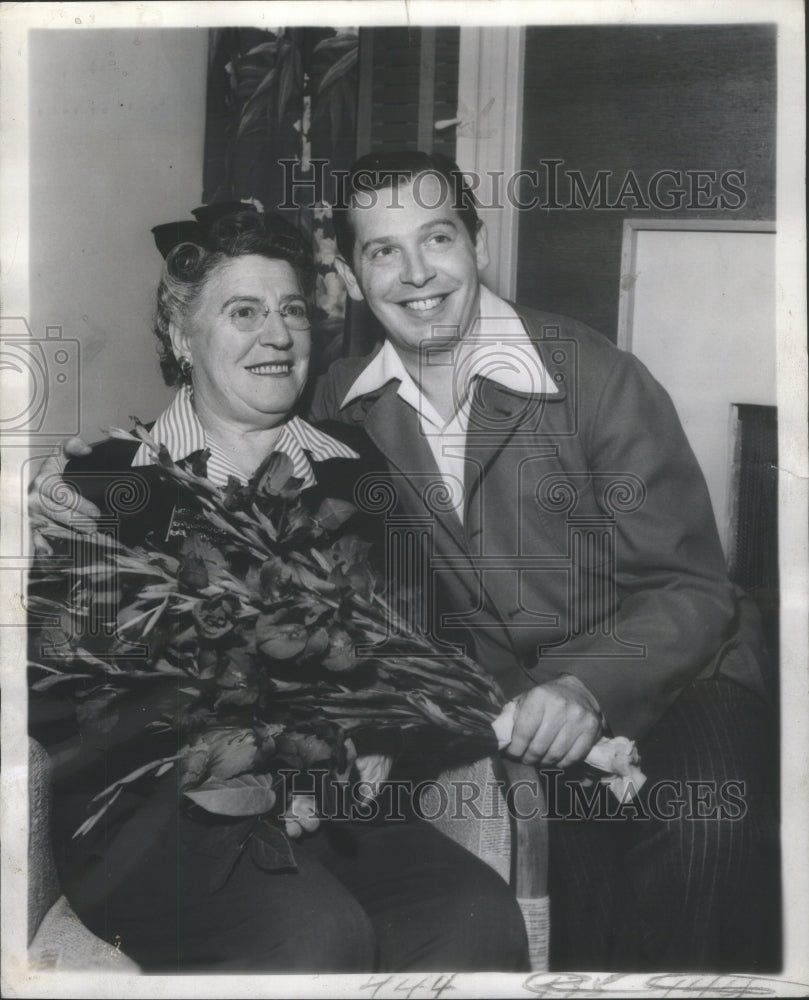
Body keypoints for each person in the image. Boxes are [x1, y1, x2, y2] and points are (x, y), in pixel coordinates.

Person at [304, 151, 779, 971]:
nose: (417, 274)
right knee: (570, 886)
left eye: (437, 238)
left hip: (676, 671)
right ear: (349, 276)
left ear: (478, 245)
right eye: (383, 250)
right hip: (510, 705)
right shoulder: (339, 406)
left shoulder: (594, 376)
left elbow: (689, 588)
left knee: (703, 823)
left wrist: (585, 688)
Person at [27, 203, 530, 973]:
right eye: (243, 312)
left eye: (291, 310)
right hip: (159, 822)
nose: (277, 335)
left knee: (473, 915)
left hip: (335, 804)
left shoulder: (353, 467)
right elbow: (59, 695)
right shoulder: (103, 480)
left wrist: (380, 737)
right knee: (314, 937)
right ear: (180, 337)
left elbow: (435, 642)